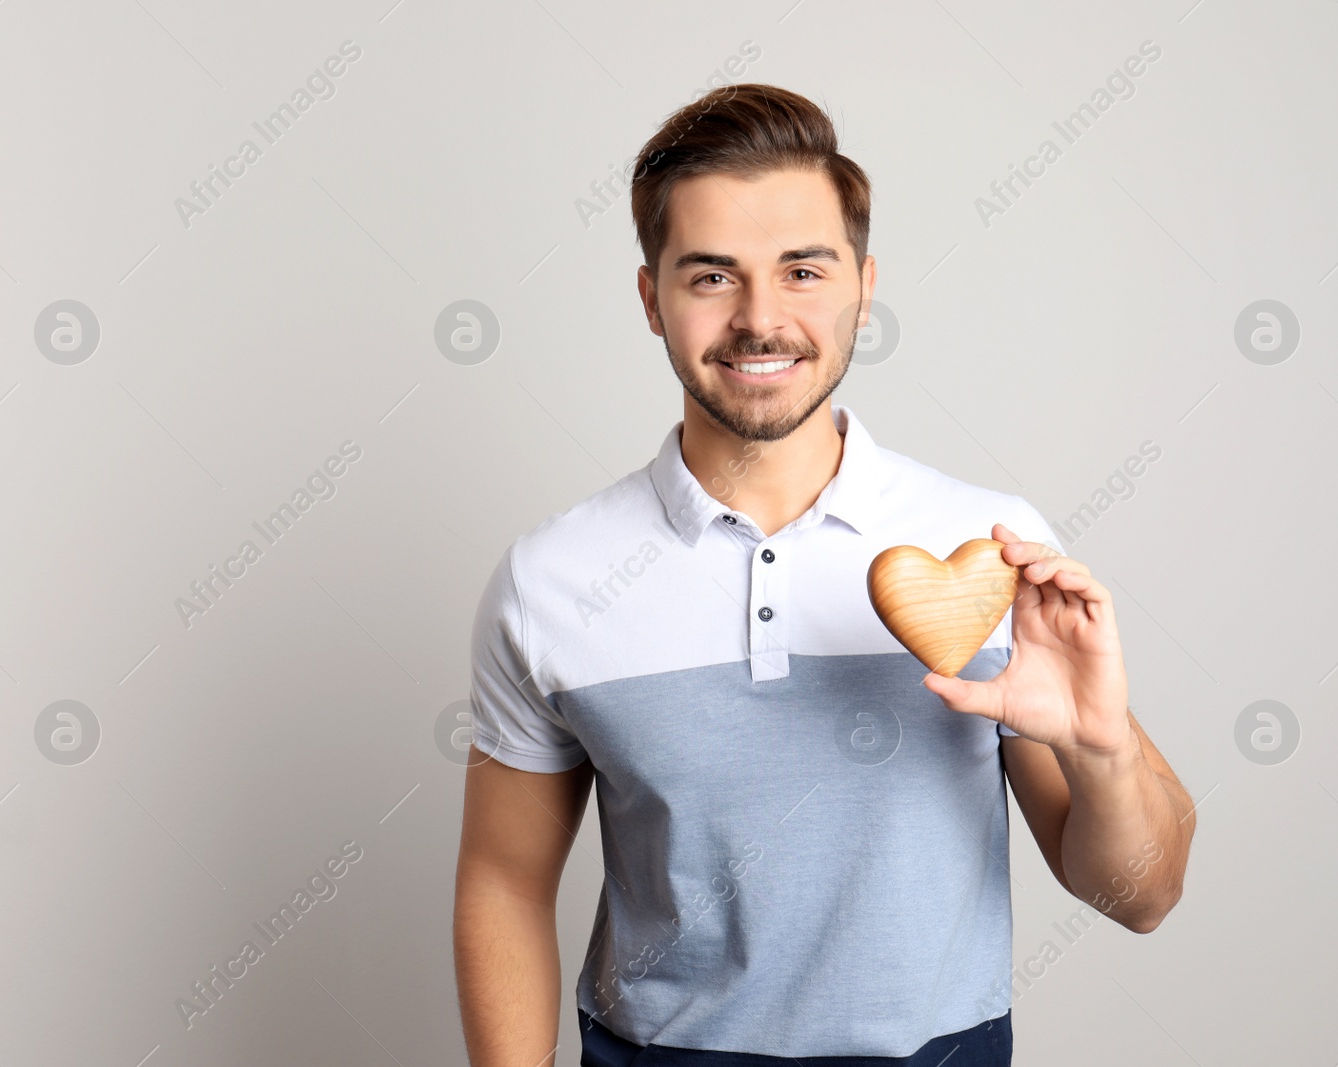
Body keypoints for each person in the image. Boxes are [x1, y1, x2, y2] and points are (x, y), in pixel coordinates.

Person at [454, 82, 1194, 1067]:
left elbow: (1138, 893)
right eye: (711, 276)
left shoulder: (990, 548)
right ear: (651, 297)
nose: (761, 318)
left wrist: (1098, 742)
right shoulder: (550, 578)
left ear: (862, 284)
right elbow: (503, 881)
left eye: (802, 270)